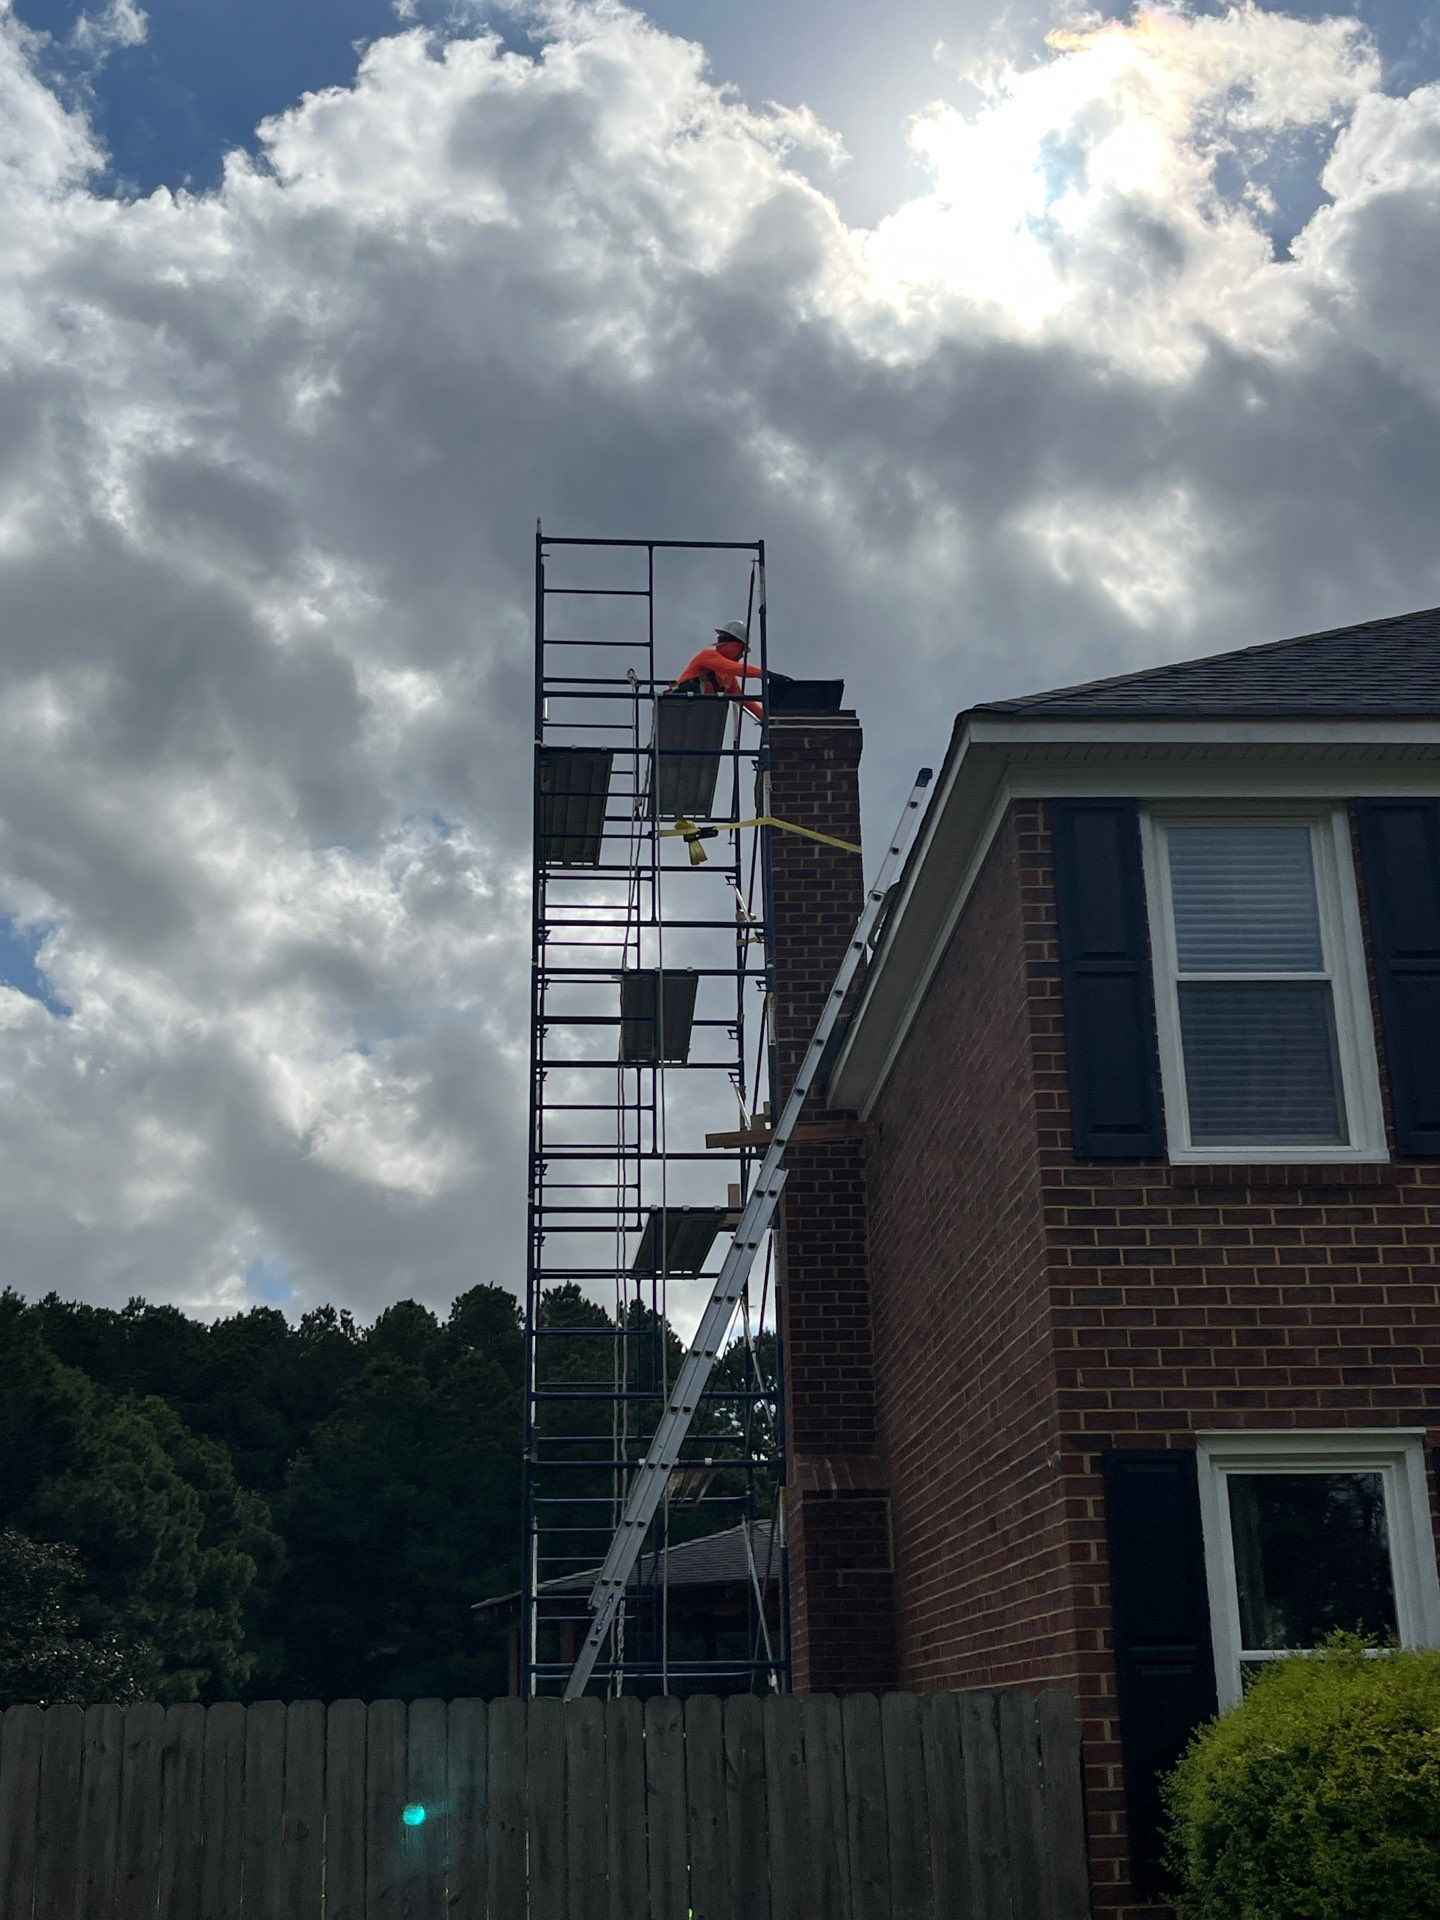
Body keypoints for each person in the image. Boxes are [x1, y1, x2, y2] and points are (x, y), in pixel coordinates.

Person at [672, 620, 764, 721]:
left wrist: (766, 718)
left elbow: (743, 699)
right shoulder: (707, 656)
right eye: (742, 650)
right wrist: (764, 674)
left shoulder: (728, 677)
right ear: (734, 646)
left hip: (697, 718)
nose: (742, 655)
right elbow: (736, 668)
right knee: (693, 687)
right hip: (677, 705)